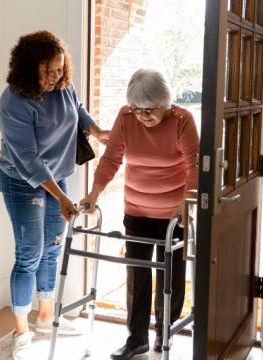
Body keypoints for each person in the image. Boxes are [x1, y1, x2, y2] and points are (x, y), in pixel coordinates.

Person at [0, 30, 110, 360]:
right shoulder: (13, 103)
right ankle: (21, 330)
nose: (54, 77)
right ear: (28, 67)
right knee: (29, 253)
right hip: (22, 181)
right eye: (47, 70)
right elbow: (28, 160)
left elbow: (77, 108)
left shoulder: (63, 87)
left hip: (57, 177)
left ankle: (46, 316)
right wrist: (61, 197)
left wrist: (96, 130)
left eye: (59, 69)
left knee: (52, 249)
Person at [80, 68, 199, 360]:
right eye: (138, 109)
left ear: (166, 102)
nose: (144, 116)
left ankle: (165, 333)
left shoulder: (182, 121)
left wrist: (186, 204)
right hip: (137, 210)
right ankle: (136, 339)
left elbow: (194, 164)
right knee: (137, 274)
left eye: (150, 110)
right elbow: (111, 158)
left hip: (174, 216)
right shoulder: (126, 117)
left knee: (171, 275)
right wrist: (94, 194)